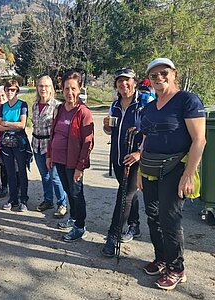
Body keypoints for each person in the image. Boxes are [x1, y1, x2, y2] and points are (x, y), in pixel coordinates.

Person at [137, 58, 206, 290]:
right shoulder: (149, 107)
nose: (159, 78)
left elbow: (199, 140)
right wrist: (140, 170)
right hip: (150, 168)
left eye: (163, 73)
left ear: (174, 73)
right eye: (153, 76)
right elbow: (145, 141)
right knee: (153, 215)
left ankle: (177, 269)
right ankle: (161, 259)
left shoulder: (187, 101)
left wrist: (189, 173)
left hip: (175, 168)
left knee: (170, 219)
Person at [47, 71, 94, 242]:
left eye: (73, 88)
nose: (69, 92)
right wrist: (50, 155)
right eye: (66, 88)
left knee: (76, 193)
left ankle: (80, 227)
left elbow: (88, 141)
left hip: (73, 162)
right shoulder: (60, 109)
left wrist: (80, 167)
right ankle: (73, 219)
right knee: (68, 191)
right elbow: (54, 133)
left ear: (79, 89)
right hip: (59, 160)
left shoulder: (83, 112)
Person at [101, 67, 142, 257]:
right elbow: (111, 132)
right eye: (119, 81)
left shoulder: (144, 103)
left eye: (127, 80)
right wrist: (107, 127)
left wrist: (139, 153)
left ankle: (113, 235)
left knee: (124, 194)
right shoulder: (115, 105)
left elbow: (152, 132)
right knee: (129, 193)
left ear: (134, 82)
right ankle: (135, 225)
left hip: (135, 160)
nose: (123, 84)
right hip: (118, 157)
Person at [32, 75, 67, 218]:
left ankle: (62, 203)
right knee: (44, 176)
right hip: (36, 145)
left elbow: (58, 129)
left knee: (55, 177)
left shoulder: (57, 106)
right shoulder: (34, 105)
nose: (43, 89)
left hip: (50, 145)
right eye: (40, 86)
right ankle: (48, 200)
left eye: (46, 86)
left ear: (51, 88)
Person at [0, 79, 31, 212]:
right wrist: (11, 125)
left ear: (17, 91)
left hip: (19, 143)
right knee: (10, 172)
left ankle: (24, 199)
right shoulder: (2, 107)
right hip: (6, 143)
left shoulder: (22, 105)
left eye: (12, 90)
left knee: (22, 171)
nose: (10, 92)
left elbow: (22, 125)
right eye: (7, 89)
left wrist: (6, 123)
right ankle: (13, 198)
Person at [0, 86, 9, 197]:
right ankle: (4, 186)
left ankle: (17, 187)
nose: (0, 98)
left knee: (12, 165)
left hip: (10, 140)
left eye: (2, 95)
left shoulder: (9, 107)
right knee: (1, 165)